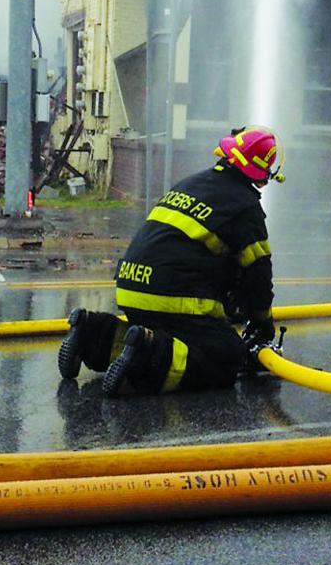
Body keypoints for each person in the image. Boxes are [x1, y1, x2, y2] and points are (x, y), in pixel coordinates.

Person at [57, 125, 283, 398]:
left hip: (130, 286)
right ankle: (146, 361)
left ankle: (90, 333)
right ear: (262, 173)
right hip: (171, 297)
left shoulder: (191, 184)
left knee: (150, 333)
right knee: (226, 354)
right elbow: (258, 279)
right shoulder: (246, 207)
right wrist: (262, 327)